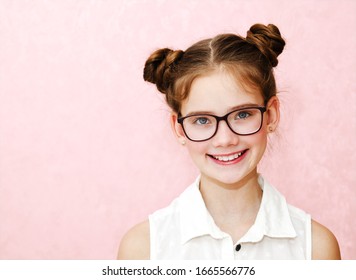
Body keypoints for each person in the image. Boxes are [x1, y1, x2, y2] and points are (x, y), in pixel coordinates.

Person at [117, 23, 341, 260]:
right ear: (179, 128)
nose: (225, 140)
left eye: (243, 115)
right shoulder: (143, 249)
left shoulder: (316, 248)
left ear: (272, 115)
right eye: (202, 120)